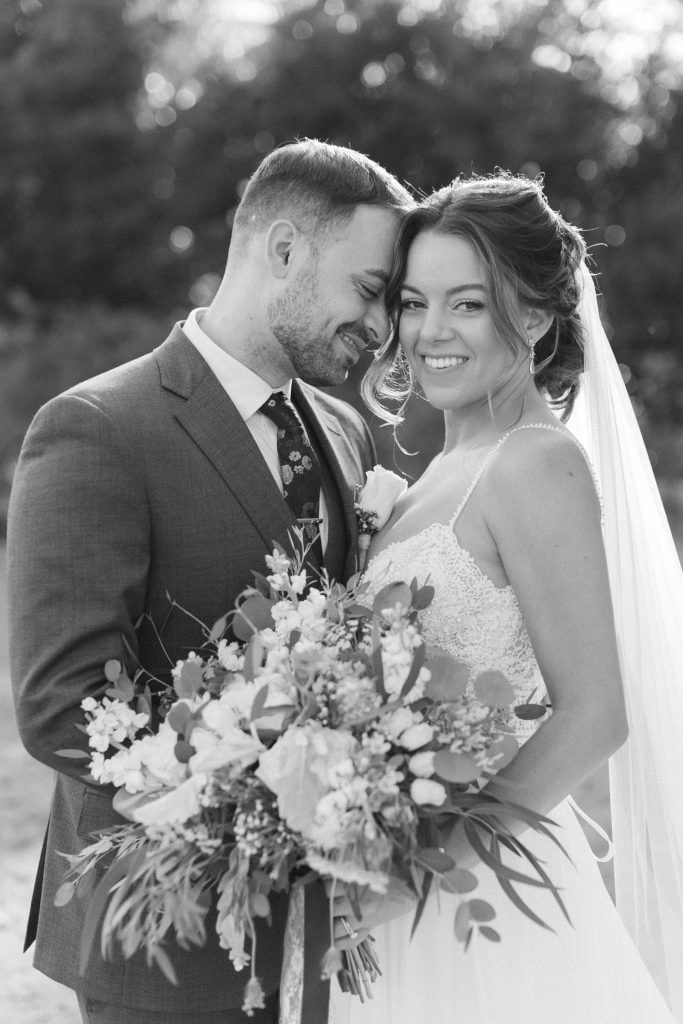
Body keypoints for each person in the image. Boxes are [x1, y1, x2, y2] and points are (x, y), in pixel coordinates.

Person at [7, 138, 414, 1024]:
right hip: (161, 938)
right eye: (371, 290)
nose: (381, 329)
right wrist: (264, 799)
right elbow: (60, 702)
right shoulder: (96, 427)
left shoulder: (344, 433)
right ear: (282, 250)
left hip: (324, 932)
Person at [328, 173, 683, 1024]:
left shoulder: (532, 462)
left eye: (468, 305)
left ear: (533, 316)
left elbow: (595, 714)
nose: (429, 332)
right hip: (389, 881)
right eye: (413, 303)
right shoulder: (430, 476)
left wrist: (415, 871)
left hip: (479, 900)